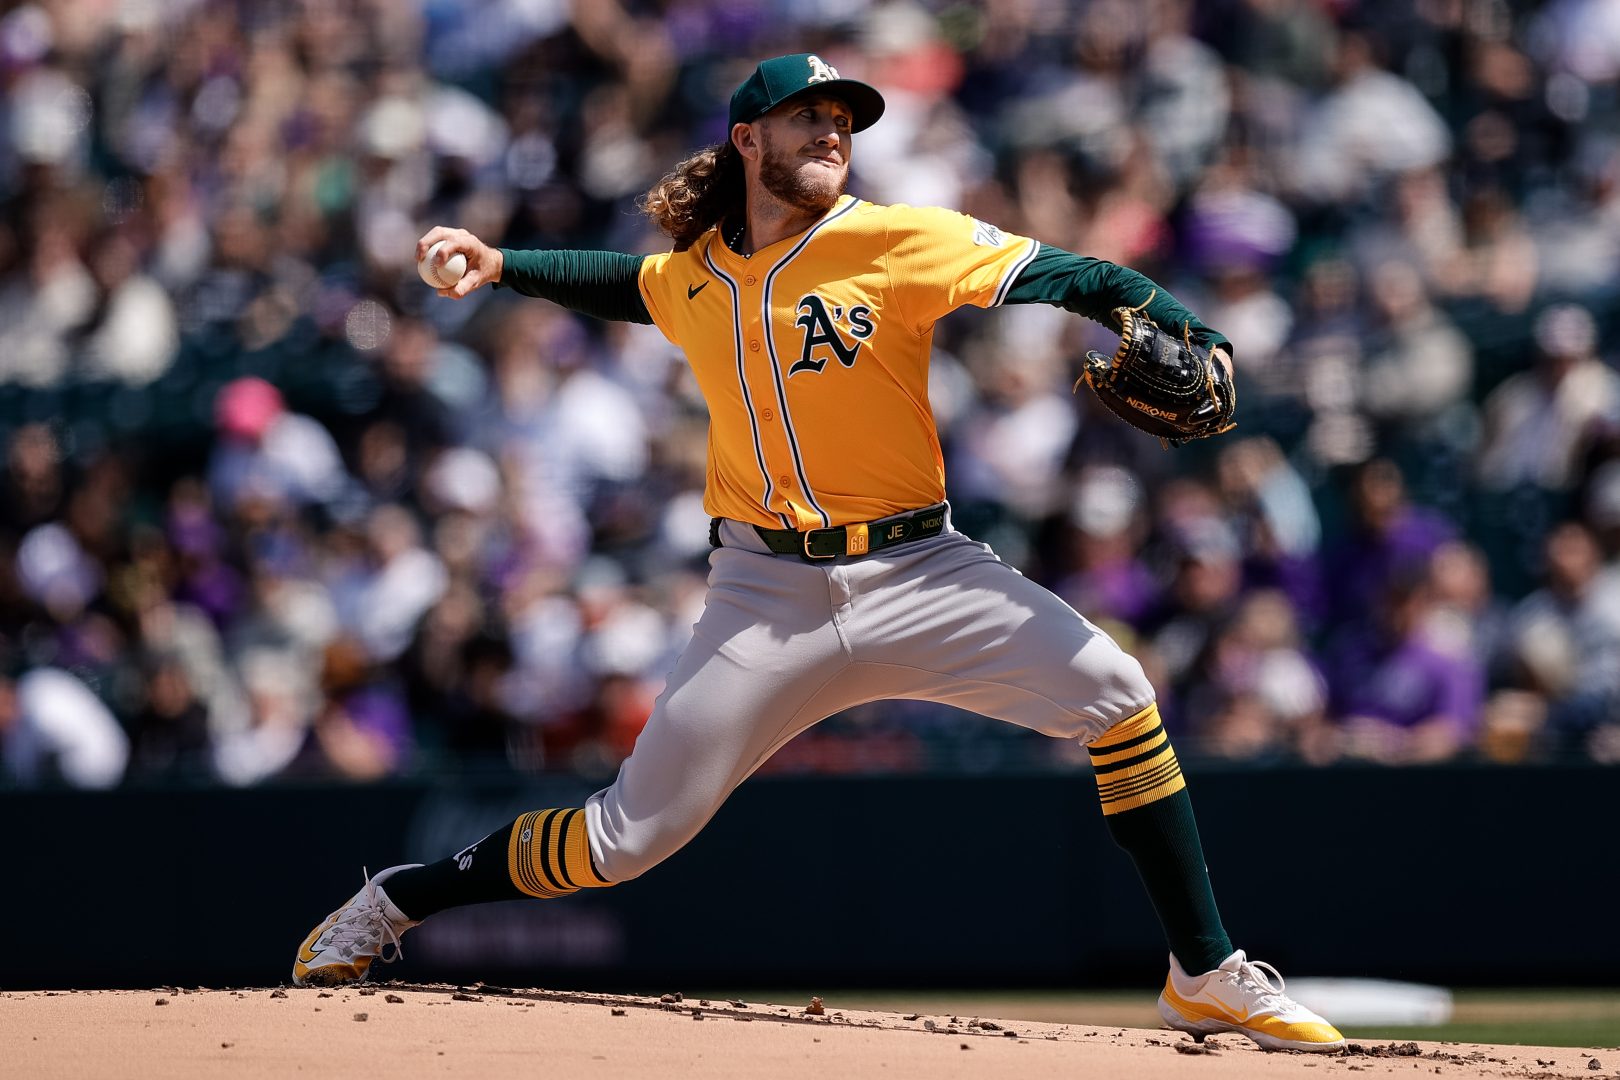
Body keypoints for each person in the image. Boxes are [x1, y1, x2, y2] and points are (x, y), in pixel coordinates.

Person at [290, 53, 1343, 1052]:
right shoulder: (699, 275)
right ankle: (400, 898)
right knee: (621, 842)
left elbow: (1063, 273)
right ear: (748, 139)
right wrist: (503, 262)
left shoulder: (892, 238)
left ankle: (1203, 970)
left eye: (846, 118)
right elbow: (630, 281)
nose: (836, 128)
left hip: (923, 573)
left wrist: (1168, 315)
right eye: (812, 115)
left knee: (1117, 691)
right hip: (764, 595)